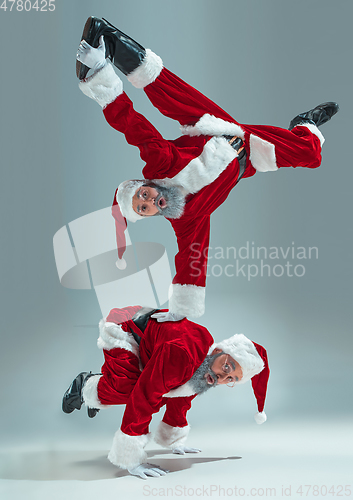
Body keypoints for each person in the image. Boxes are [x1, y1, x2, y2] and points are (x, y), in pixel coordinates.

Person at [76, 17, 339, 322]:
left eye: (143, 196)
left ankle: (107, 51)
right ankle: (304, 124)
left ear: (145, 184)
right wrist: (180, 311)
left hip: (213, 127)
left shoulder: (161, 163)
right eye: (144, 209)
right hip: (249, 154)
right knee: (310, 153)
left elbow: (133, 126)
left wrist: (102, 83)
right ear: (150, 215)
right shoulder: (186, 217)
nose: (148, 202)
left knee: (169, 92)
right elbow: (191, 258)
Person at [62, 306, 269, 479]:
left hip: (152, 338)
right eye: (227, 369)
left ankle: (104, 385)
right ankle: (85, 386)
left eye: (231, 380)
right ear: (217, 352)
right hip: (123, 326)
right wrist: (132, 458)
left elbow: (182, 396)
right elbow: (145, 395)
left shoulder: (205, 366)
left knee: (164, 388)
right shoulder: (183, 356)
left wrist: (175, 440)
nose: (222, 379)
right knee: (127, 389)